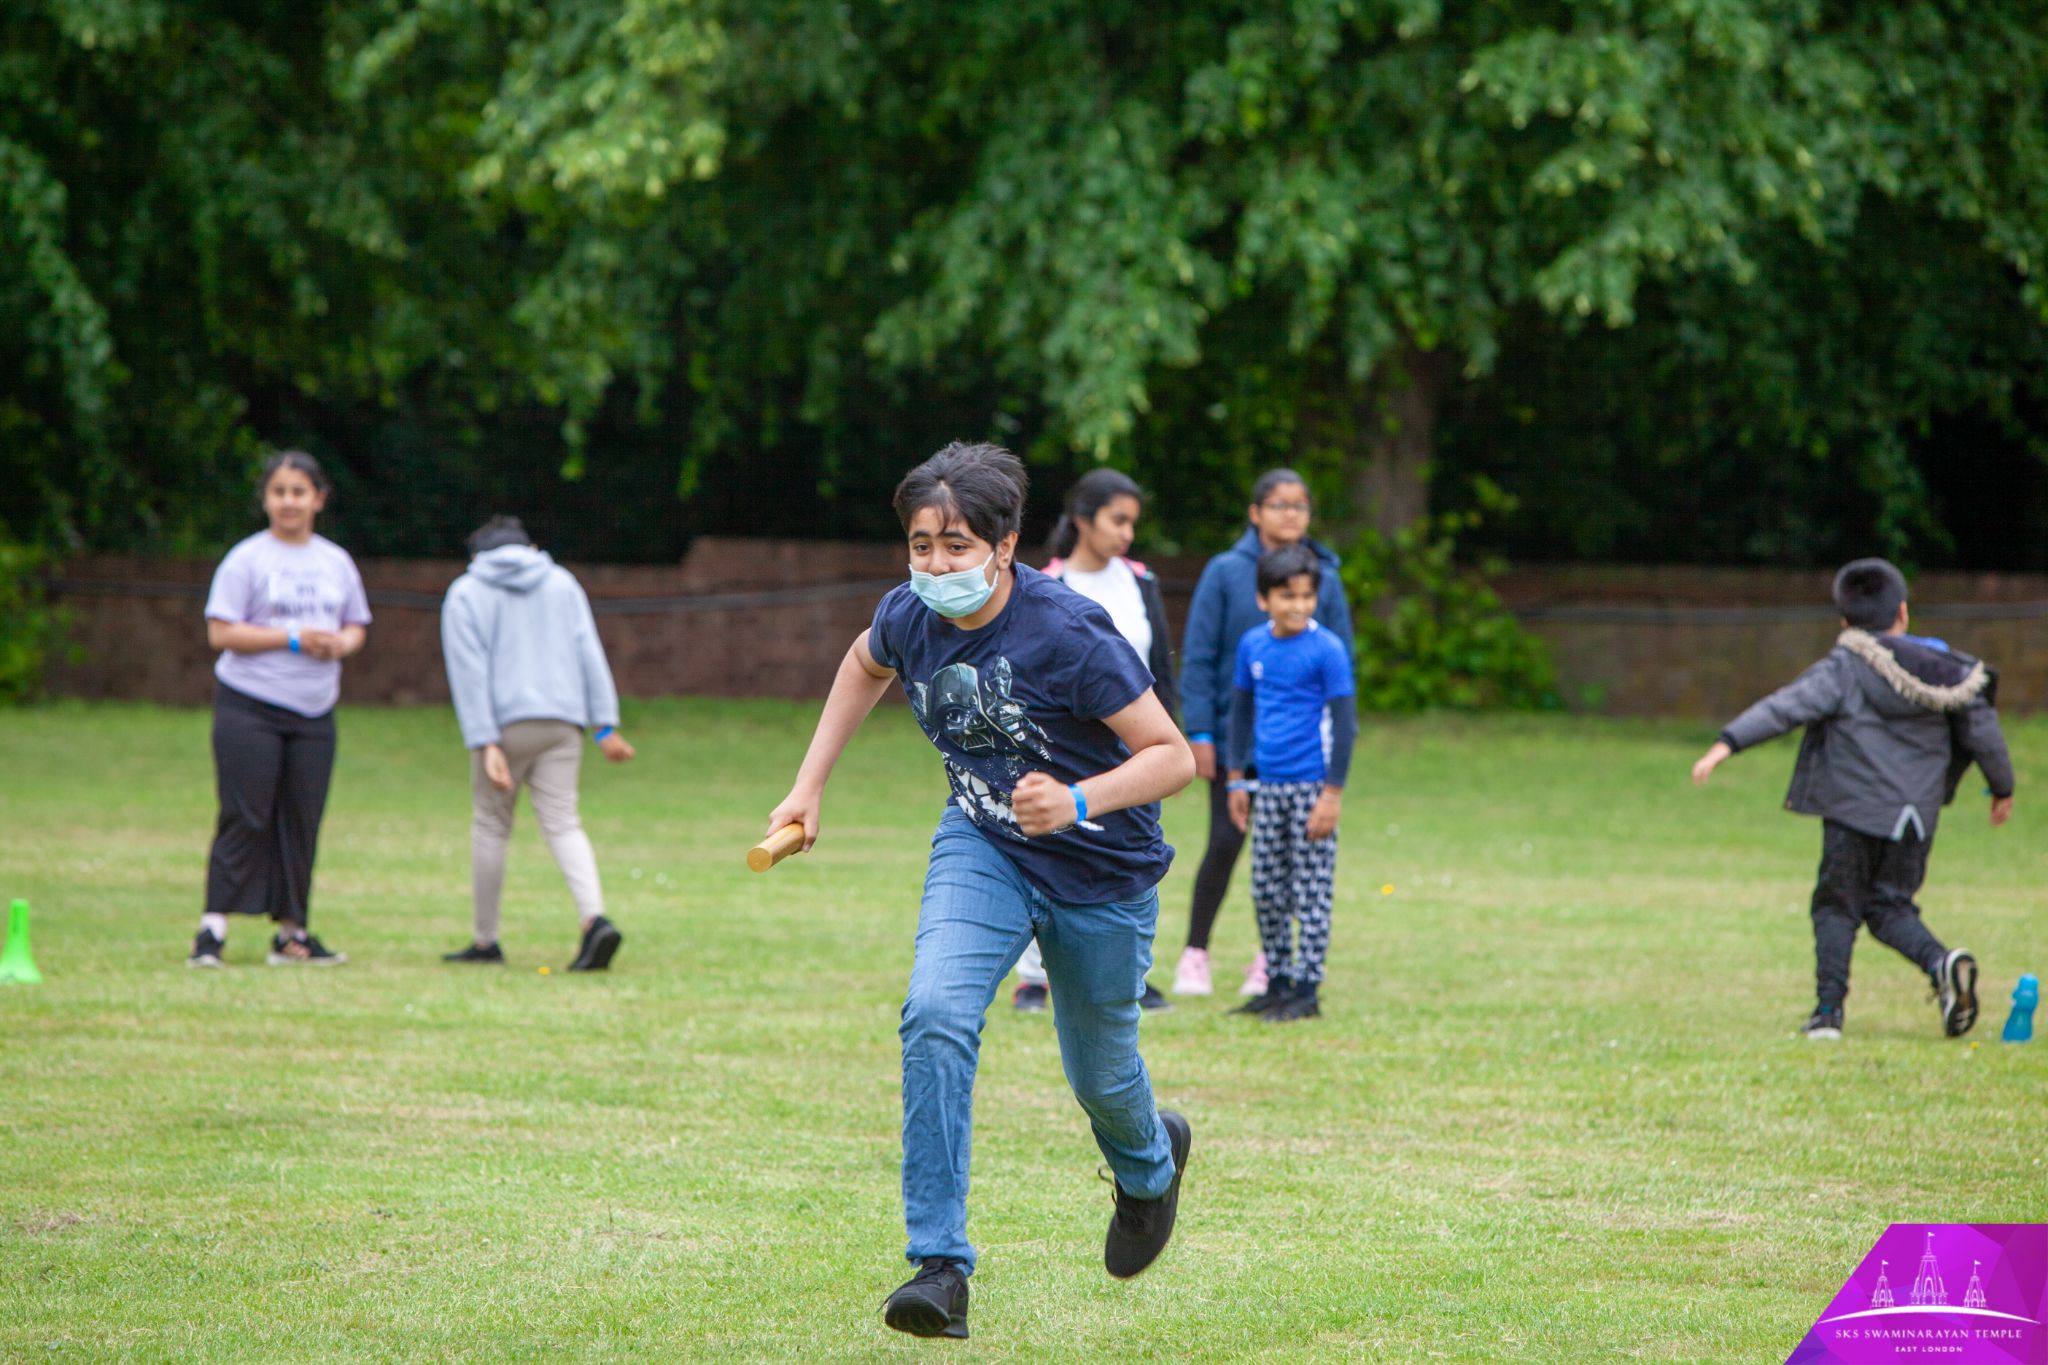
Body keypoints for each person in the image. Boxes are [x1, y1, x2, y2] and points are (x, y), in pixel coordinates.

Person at [764, 442, 1196, 1341]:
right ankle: (940, 1266)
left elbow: (1172, 755)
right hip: (983, 843)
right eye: (921, 545)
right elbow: (861, 665)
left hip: (1101, 871)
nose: (935, 565)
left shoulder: (1068, 632)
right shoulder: (908, 615)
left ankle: (1151, 1164)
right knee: (934, 1011)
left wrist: (1077, 797)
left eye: (956, 545)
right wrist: (809, 787)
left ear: (1005, 548)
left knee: (1102, 1073)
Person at [1691, 558, 2013, 1040]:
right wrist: (2002, 787)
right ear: (1902, 612)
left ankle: (1827, 1013)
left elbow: (1787, 706)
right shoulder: (1950, 673)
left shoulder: (1846, 667)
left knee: (1836, 907)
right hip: (1915, 816)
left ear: (1844, 619)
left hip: (1854, 810)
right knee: (1890, 907)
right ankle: (1941, 962)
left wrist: (1726, 744)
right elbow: (1982, 728)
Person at [1174, 468, 1353, 998]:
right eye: (1278, 504)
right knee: (1227, 841)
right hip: (1239, 740)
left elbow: (1339, 666)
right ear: (1255, 513)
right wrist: (1201, 733)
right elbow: (1200, 656)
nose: (1290, 515)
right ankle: (1195, 952)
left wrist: (1334, 764)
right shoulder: (1227, 572)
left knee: (1295, 859)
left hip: (1301, 750)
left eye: (1299, 506)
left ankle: (1269, 964)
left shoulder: (1327, 576)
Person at [188, 451, 370, 968]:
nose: (289, 502)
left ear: (319, 499)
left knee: (301, 818)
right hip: (251, 705)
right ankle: (212, 930)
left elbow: (357, 625)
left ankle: (293, 935)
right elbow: (221, 632)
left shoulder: (335, 562)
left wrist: (341, 645)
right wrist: (292, 638)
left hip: (314, 712)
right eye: (279, 492)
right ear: (266, 500)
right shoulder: (247, 559)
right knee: (245, 814)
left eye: (299, 492)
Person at [1012, 468, 1178, 1014]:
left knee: (1126, 855)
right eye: (1117, 519)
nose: (1126, 532)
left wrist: (1169, 742)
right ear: (1083, 519)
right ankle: (1035, 978)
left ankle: (1124, 973)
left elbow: (1159, 670)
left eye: (1133, 522)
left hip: (1131, 750)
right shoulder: (1047, 585)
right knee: (1050, 849)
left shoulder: (1141, 582)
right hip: (1062, 746)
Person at [439, 516, 635, 972]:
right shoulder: (561, 583)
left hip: (503, 727)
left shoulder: (466, 592)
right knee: (564, 822)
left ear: (476, 555)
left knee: (491, 827)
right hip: (563, 723)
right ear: (532, 546)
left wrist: (485, 740)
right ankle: (594, 919)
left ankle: (485, 942)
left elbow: (468, 672)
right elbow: (589, 651)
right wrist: (603, 725)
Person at [1223, 544, 1357, 1023]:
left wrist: (1332, 795)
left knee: (1311, 891)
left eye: (1307, 596)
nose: (1299, 605)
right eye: (1287, 596)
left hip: (1311, 789)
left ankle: (1308, 990)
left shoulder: (1328, 650)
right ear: (1264, 600)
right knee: (1267, 888)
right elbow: (1240, 713)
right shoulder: (1252, 646)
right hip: (1267, 787)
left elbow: (1346, 725)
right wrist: (1236, 779)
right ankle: (1277, 983)